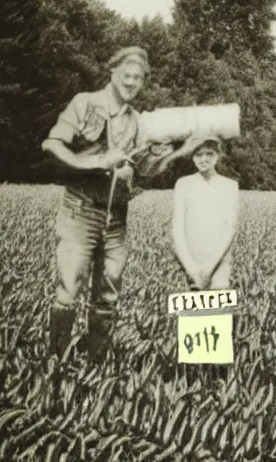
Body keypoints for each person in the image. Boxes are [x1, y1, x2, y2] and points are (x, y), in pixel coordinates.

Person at [42, 46, 189, 361]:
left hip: (116, 218)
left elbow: (142, 172)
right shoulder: (85, 103)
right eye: (128, 75)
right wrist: (98, 161)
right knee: (68, 290)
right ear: (112, 73)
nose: (133, 82)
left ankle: (96, 364)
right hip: (80, 211)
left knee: (108, 295)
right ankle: (54, 365)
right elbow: (52, 145)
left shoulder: (137, 122)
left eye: (139, 78)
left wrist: (167, 155)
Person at [172, 136, 239, 291]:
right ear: (192, 157)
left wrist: (208, 268)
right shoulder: (183, 184)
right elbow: (177, 229)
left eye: (209, 154)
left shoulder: (229, 186)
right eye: (198, 155)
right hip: (188, 262)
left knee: (217, 313)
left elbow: (229, 228)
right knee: (190, 313)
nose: (204, 159)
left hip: (219, 263)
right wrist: (190, 268)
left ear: (218, 155)